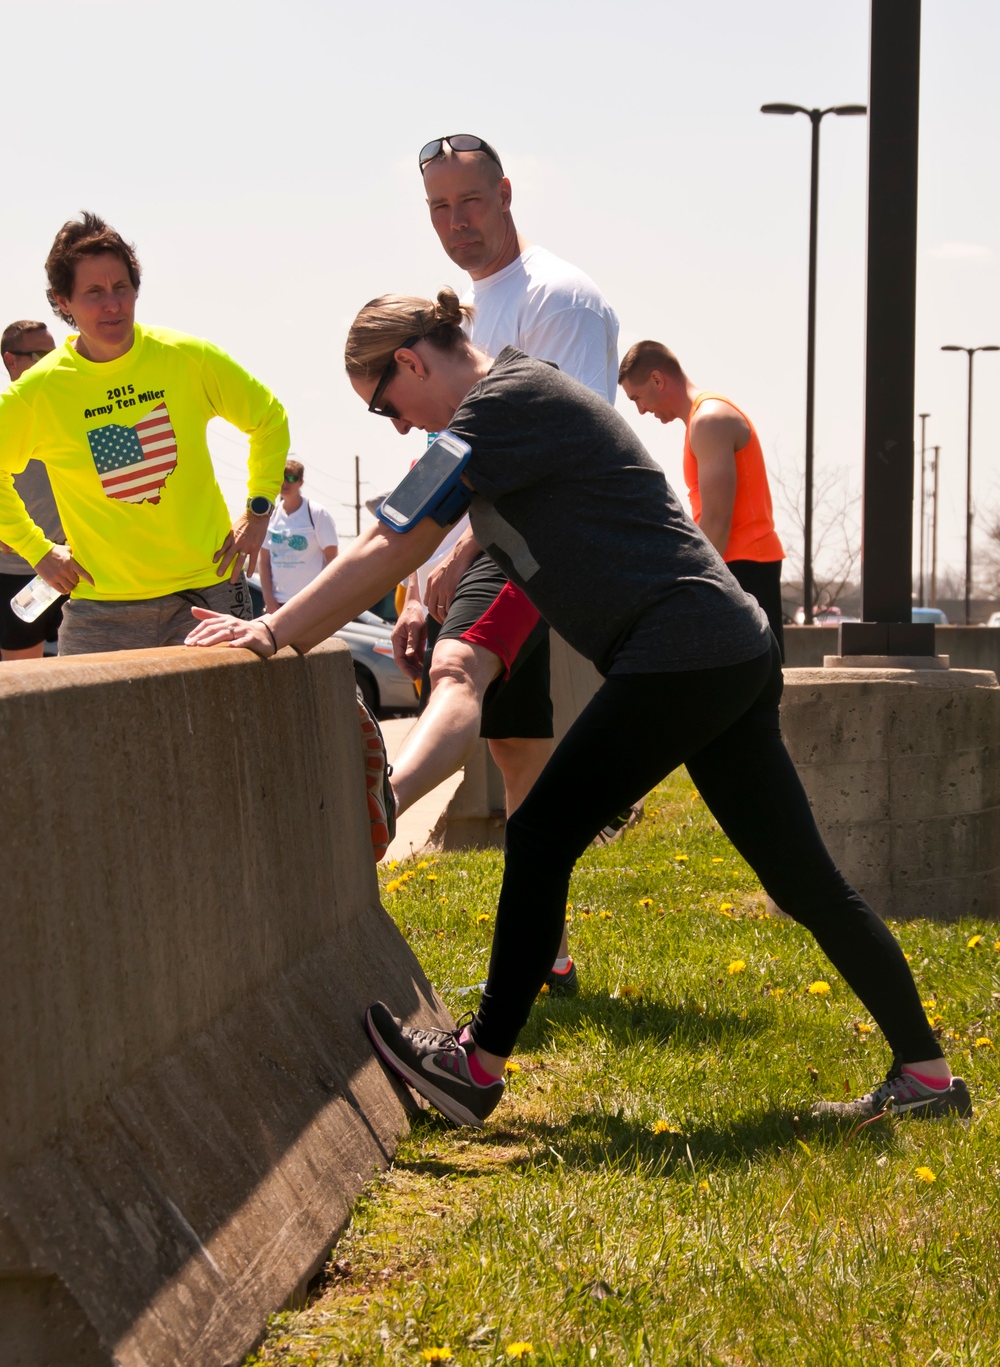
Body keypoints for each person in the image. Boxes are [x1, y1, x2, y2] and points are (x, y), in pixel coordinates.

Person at [185, 288, 971, 1132]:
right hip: (725, 646)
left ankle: (477, 1066)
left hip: (684, 650)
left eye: (385, 406)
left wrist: (271, 630)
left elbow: (392, 540)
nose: (397, 426)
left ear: (410, 362)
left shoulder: (497, 410)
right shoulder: (523, 393)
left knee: (543, 828)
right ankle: (929, 1078)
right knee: (799, 875)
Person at [389, 135, 622, 992]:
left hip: (528, 535)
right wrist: (421, 576)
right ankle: (547, 953)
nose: (458, 222)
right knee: (519, 751)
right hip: (479, 534)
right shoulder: (458, 314)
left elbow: (552, 455)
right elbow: (448, 453)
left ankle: (382, 800)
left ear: (507, 192)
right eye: (440, 208)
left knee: (458, 669)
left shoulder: (560, 299)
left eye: (472, 201)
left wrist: (449, 566)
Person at [0, 213, 289, 654]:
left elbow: (268, 417)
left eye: (121, 287)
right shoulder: (37, 392)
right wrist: (36, 549)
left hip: (206, 594)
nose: (112, 305)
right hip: (99, 608)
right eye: (94, 293)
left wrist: (258, 509)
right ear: (64, 302)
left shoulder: (187, 357)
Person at [619, 341, 786, 655]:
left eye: (637, 398)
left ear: (657, 379)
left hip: (743, 568)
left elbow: (716, 520)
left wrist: (696, 590)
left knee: (747, 689)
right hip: (739, 567)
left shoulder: (709, 420)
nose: (641, 410)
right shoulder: (703, 419)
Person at [0, 321, 66, 660]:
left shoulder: (70, 413)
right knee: (23, 687)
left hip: (76, 568)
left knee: (88, 681)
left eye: (56, 353)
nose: (53, 361)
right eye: (41, 354)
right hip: (17, 576)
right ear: (12, 361)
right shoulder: (4, 418)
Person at [259, 460, 339, 613]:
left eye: (291, 478)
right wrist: (269, 600)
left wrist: (320, 596)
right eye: (282, 478)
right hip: (278, 603)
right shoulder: (271, 515)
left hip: (309, 601)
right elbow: (263, 562)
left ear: (301, 482)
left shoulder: (316, 513)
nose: (285, 483)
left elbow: (332, 558)